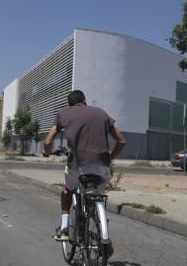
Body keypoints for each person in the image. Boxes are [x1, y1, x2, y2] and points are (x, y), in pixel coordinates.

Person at [43, 90, 126, 242]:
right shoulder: (101, 113)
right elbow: (121, 141)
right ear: (84, 100)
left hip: (77, 166)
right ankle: (102, 233)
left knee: (67, 189)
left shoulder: (63, 113)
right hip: (102, 168)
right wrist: (109, 157)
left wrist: (47, 152)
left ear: (70, 104)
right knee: (95, 199)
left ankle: (64, 227)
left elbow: (48, 142)